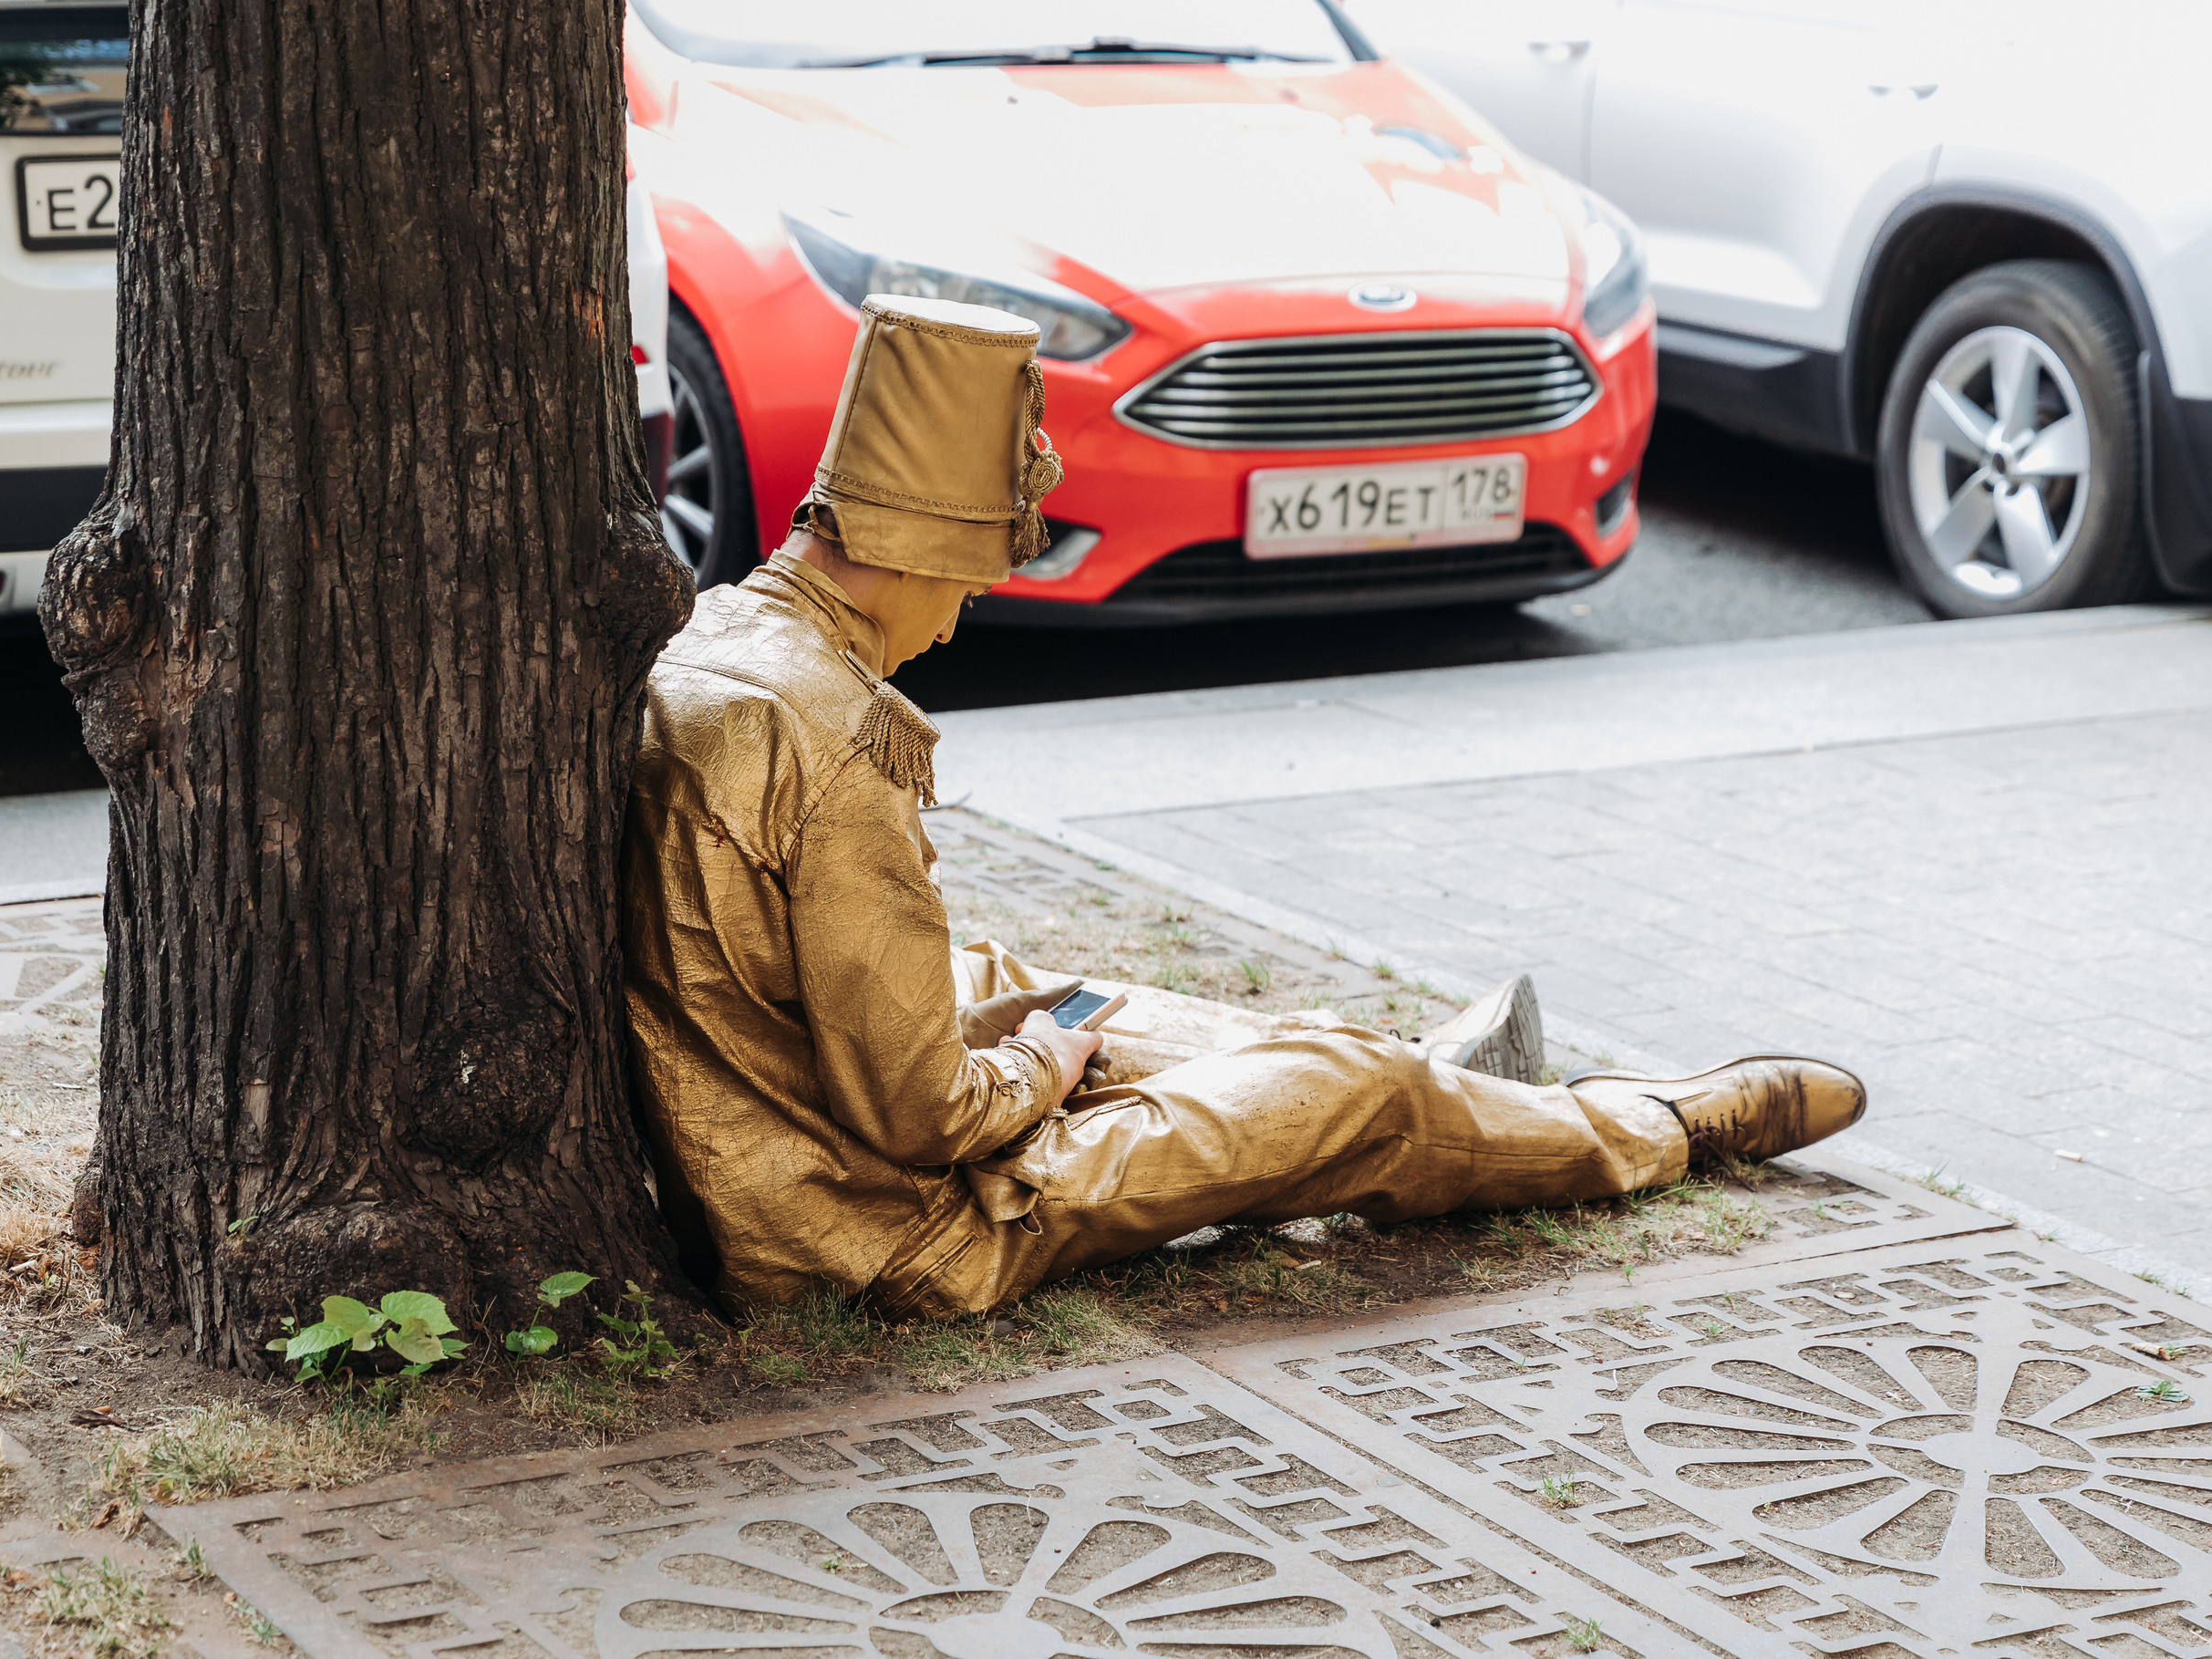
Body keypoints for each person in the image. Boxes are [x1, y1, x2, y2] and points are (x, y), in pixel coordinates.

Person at [620, 294, 1865, 1320]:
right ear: (909, 553)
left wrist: (1039, 1043)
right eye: (975, 576)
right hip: (890, 1227)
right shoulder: (839, 744)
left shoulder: (715, 639)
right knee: (1338, 1094)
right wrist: (1040, 1072)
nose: (967, 613)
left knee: (1033, 985)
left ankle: (1406, 1083)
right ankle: (1646, 1124)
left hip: (786, 1148)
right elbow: (924, 1113)